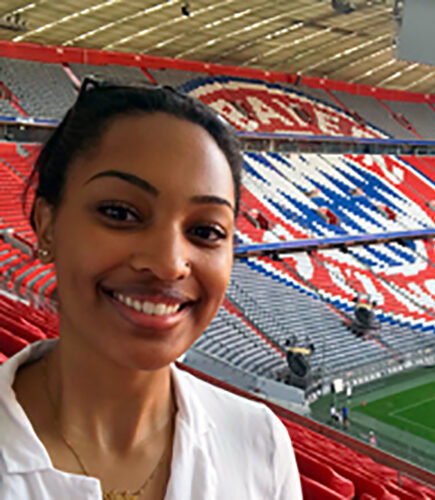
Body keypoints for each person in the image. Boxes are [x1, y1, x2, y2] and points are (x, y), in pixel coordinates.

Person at [0, 78, 302, 500]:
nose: (168, 264)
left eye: (205, 230)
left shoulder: (260, 446)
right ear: (47, 224)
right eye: (120, 213)